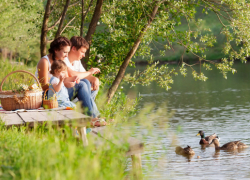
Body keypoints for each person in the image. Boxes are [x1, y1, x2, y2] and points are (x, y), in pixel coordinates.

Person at [36, 36, 106, 126]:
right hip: (48, 97)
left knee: (85, 82)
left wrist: (74, 79)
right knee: (81, 85)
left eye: (67, 52)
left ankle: (90, 116)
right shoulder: (44, 62)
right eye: (65, 52)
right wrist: (64, 84)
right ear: (56, 50)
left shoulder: (61, 61)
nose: (66, 55)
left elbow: (65, 77)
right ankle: (91, 118)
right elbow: (45, 87)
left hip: (60, 93)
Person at [64, 36, 100, 100]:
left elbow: (84, 75)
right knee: (83, 82)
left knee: (94, 85)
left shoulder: (77, 61)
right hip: (65, 92)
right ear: (74, 49)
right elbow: (72, 74)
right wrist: (90, 71)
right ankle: (87, 107)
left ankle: (86, 106)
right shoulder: (63, 59)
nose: (84, 55)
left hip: (75, 91)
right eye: (82, 52)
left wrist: (94, 79)